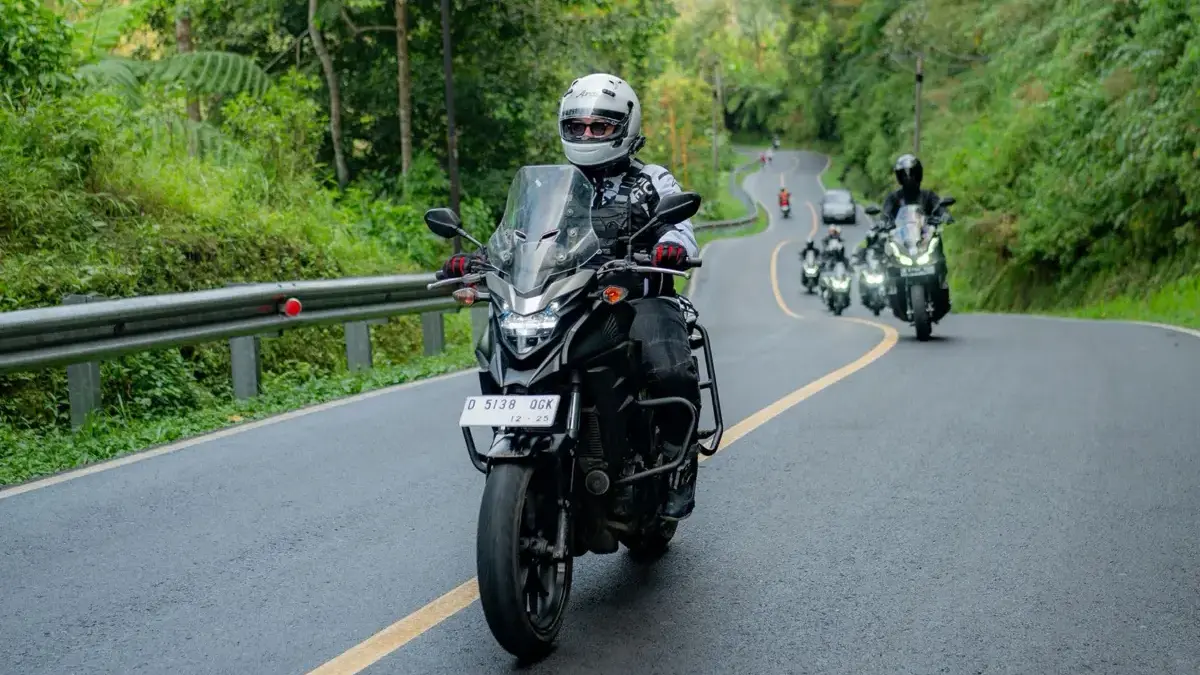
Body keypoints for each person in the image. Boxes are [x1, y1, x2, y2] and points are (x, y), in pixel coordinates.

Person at [440, 73, 703, 521]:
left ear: (626, 128)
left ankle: (678, 463)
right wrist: (479, 259)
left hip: (637, 297)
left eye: (600, 127)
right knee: (499, 352)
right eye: (578, 126)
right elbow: (518, 238)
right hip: (571, 302)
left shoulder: (651, 180)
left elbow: (681, 230)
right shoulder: (549, 188)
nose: (588, 135)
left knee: (669, 370)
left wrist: (672, 247)